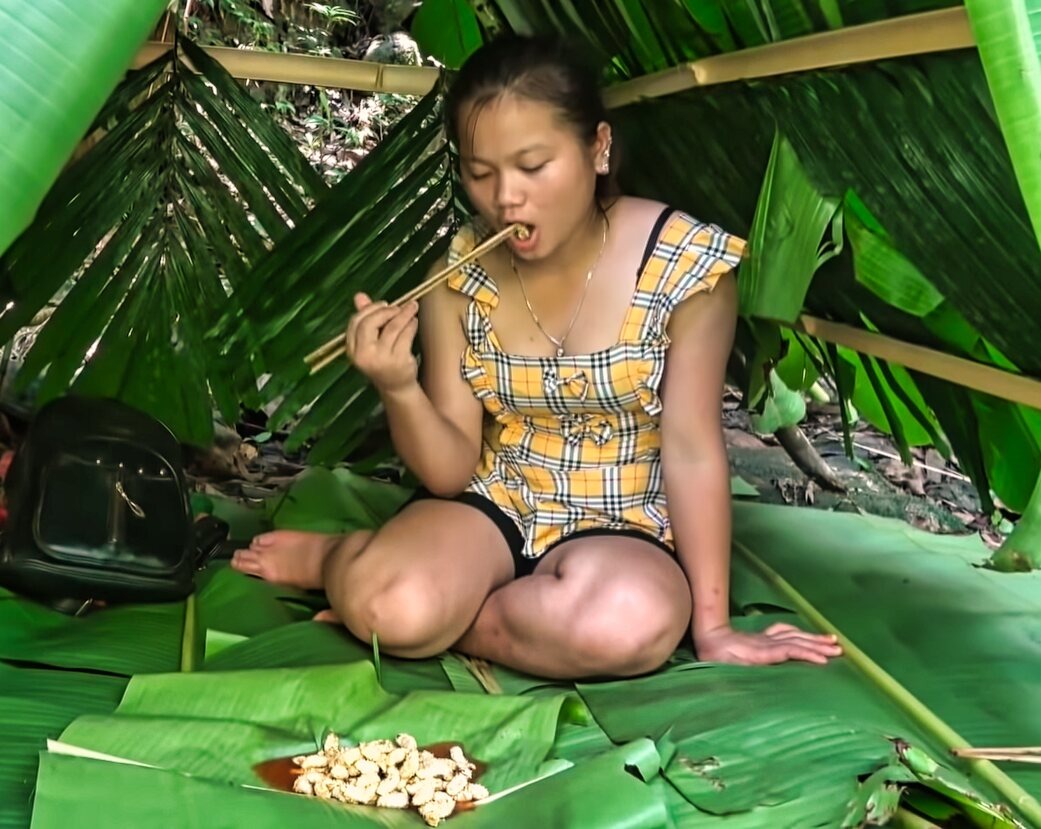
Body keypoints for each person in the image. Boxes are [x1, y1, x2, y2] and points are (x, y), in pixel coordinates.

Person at [231, 35, 842, 679]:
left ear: (597, 149)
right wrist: (399, 386)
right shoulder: (458, 279)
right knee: (395, 606)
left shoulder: (686, 269)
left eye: (532, 166)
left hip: (624, 519)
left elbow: (692, 449)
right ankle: (345, 562)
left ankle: (435, 613)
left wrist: (712, 626)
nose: (505, 200)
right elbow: (449, 470)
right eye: (480, 173)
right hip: (494, 500)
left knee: (627, 624)